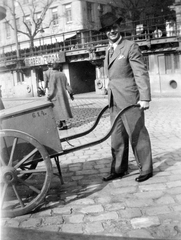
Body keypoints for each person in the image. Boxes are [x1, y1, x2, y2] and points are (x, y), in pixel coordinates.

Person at [99, 12, 153, 182]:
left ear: (119, 27)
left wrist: (144, 97)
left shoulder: (130, 46)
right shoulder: (108, 50)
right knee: (117, 137)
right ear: (105, 32)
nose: (111, 31)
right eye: (108, 29)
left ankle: (146, 168)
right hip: (114, 101)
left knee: (137, 134)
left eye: (114, 27)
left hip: (130, 100)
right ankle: (118, 169)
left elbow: (140, 73)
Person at [47, 62, 74, 130]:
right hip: (63, 95)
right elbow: (67, 85)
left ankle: (64, 125)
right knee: (62, 110)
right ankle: (60, 123)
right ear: (58, 67)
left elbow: (52, 87)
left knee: (58, 110)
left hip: (56, 96)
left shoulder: (53, 75)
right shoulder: (62, 74)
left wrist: (49, 96)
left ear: (53, 68)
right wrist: (71, 93)